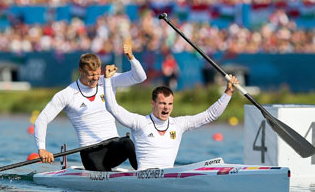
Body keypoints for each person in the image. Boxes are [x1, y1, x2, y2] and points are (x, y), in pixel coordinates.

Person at [103, 64, 238, 171]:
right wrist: (107, 81)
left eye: (169, 104)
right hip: (144, 180)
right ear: (153, 103)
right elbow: (112, 108)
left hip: (167, 178)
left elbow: (210, 115)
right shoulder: (140, 122)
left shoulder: (179, 124)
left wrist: (228, 93)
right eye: (162, 103)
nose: (166, 108)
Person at [34, 44, 146, 171]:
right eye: (91, 75)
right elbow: (42, 119)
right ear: (80, 71)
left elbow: (140, 77)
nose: (95, 79)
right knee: (102, 189)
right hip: (91, 153)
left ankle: (145, 174)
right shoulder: (67, 94)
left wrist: (131, 58)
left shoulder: (108, 80)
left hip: (114, 146)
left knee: (127, 143)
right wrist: (42, 149)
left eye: (98, 74)